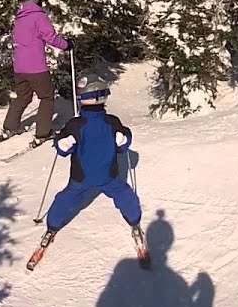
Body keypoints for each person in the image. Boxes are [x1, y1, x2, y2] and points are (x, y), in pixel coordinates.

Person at [27, 74, 148, 270]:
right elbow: (124, 143)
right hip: (109, 176)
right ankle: (135, 222)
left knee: (65, 199)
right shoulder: (112, 122)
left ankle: (51, 227)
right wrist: (125, 137)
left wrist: (62, 141)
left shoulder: (76, 125)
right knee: (124, 194)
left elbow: (63, 149)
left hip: (81, 179)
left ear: (82, 99)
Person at [1, 0, 72, 145]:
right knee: (46, 97)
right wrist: (67, 45)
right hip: (36, 67)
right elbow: (50, 37)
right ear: (38, 2)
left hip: (19, 67)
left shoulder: (19, 18)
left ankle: (9, 127)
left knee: (23, 96)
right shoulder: (39, 16)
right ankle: (43, 133)